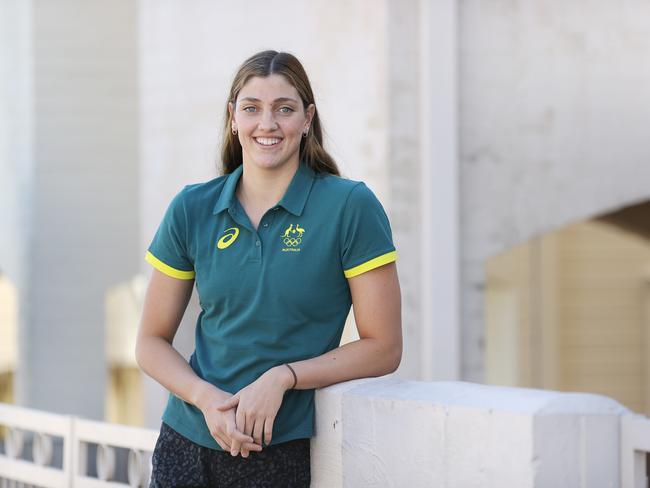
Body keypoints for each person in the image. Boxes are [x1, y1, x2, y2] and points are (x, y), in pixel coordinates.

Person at [136, 49, 402, 487]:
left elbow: (384, 347)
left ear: (307, 118)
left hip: (278, 451)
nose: (268, 124)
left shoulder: (350, 207)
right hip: (185, 442)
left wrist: (284, 377)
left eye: (285, 109)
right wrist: (207, 401)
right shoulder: (192, 207)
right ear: (233, 118)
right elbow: (149, 341)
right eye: (252, 108)